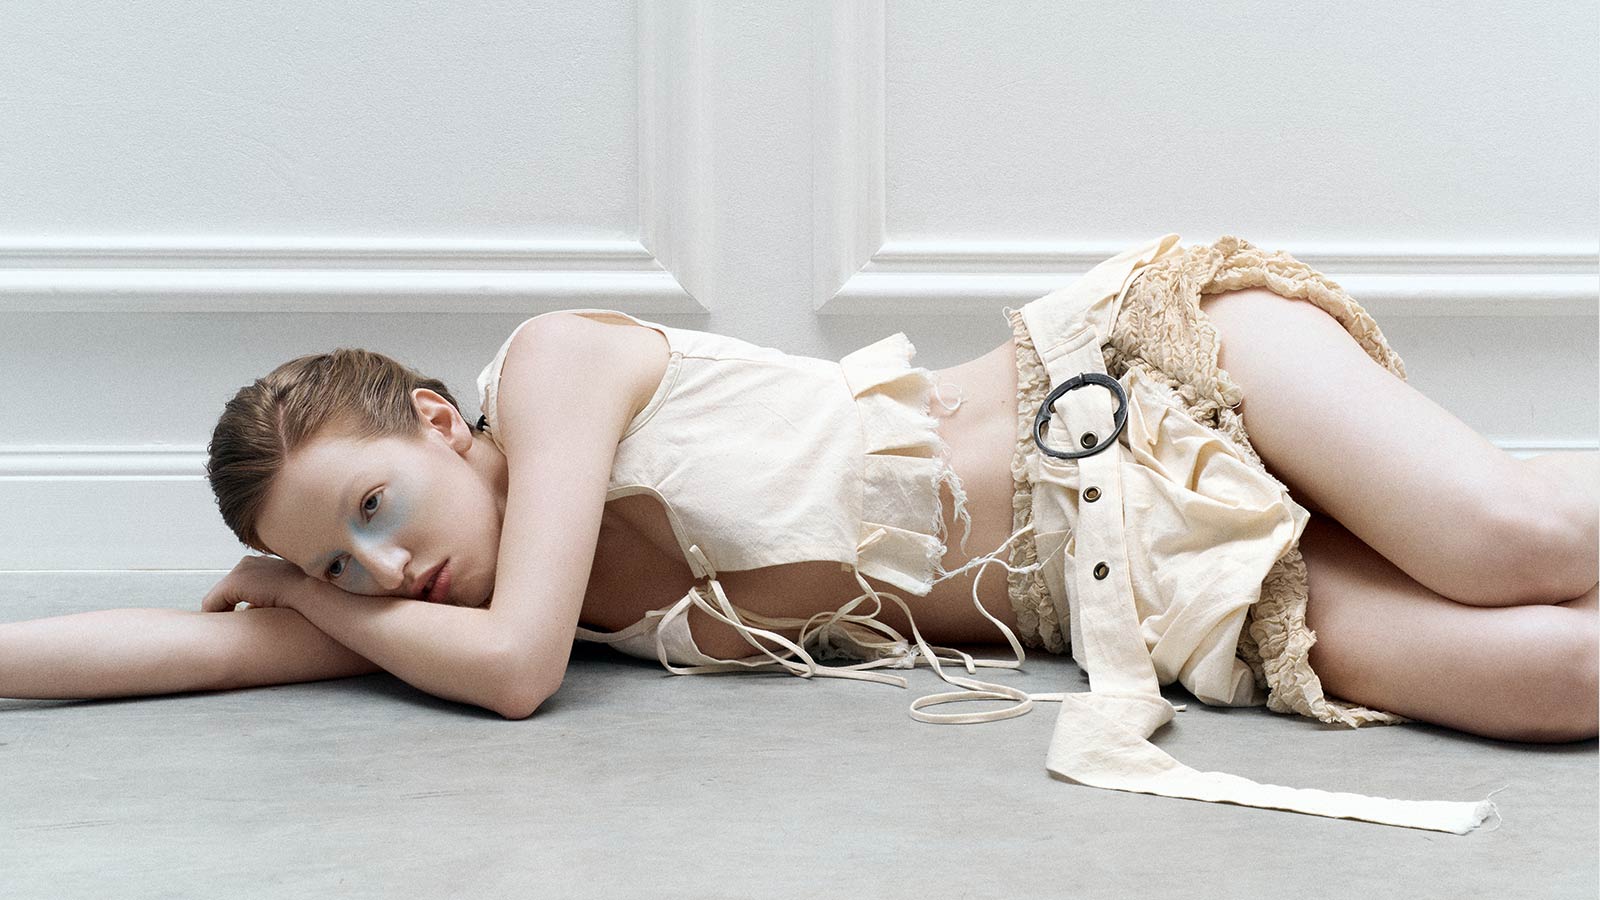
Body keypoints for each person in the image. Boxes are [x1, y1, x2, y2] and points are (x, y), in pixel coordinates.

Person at [2, 234, 1594, 833]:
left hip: (1126, 386)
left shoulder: (550, 369)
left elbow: (518, 674)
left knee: (1510, 541)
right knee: (1550, 681)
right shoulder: (430, 611)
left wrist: (303, 599)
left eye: (371, 511)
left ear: (434, 420)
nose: (378, 571)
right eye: (333, 563)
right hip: (1116, 579)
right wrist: (299, 603)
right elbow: (190, 654)